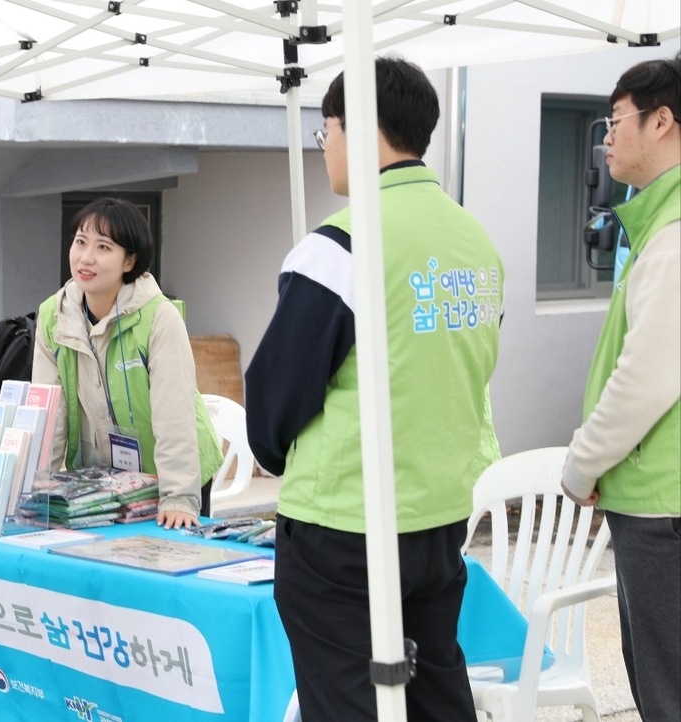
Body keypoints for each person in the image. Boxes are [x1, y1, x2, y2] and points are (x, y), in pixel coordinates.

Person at [244, 56, 503, 721]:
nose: (323, 147)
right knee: (436, 688)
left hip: (343, 522)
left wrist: (276, 455)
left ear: (356, 128)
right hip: (439, 515)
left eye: (325, 131)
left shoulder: (341, 245)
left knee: (346, 700)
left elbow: (274, 400)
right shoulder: (475, 242)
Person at [561, 52, 680, 722]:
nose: (608, 137)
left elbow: (647, 375)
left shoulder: (672, 235)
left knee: (666, 693)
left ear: (662, 121)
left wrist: (583, 463)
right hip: (661, 500)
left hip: (664, 508)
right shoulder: (657, 225)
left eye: (616, 120)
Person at [32, 197, 223, 529]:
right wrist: (39, 492)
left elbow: (174, 414)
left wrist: (178, 496)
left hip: (172, 475)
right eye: (80, 242)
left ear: (129, 260)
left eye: (104, 247)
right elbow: (50, 416)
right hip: (102, 482)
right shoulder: (54, 316)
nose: (86, 257)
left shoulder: (159, 318)